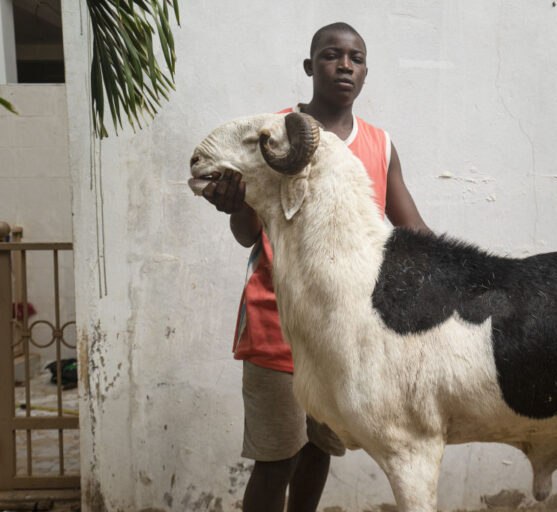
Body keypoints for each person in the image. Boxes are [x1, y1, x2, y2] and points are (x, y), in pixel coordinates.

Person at [202, 22, 429, 512]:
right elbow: (248, 235)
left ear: (366, 72)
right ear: (310, 67)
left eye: (356, 58)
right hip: (275, 324)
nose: (345, 65)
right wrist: (235, 203)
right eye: (331, 55)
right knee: (276, 459)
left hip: (343, 334)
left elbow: (414, 233)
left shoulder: (379, 145)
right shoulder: (272, 134)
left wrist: (483, 279)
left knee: (319, 449)